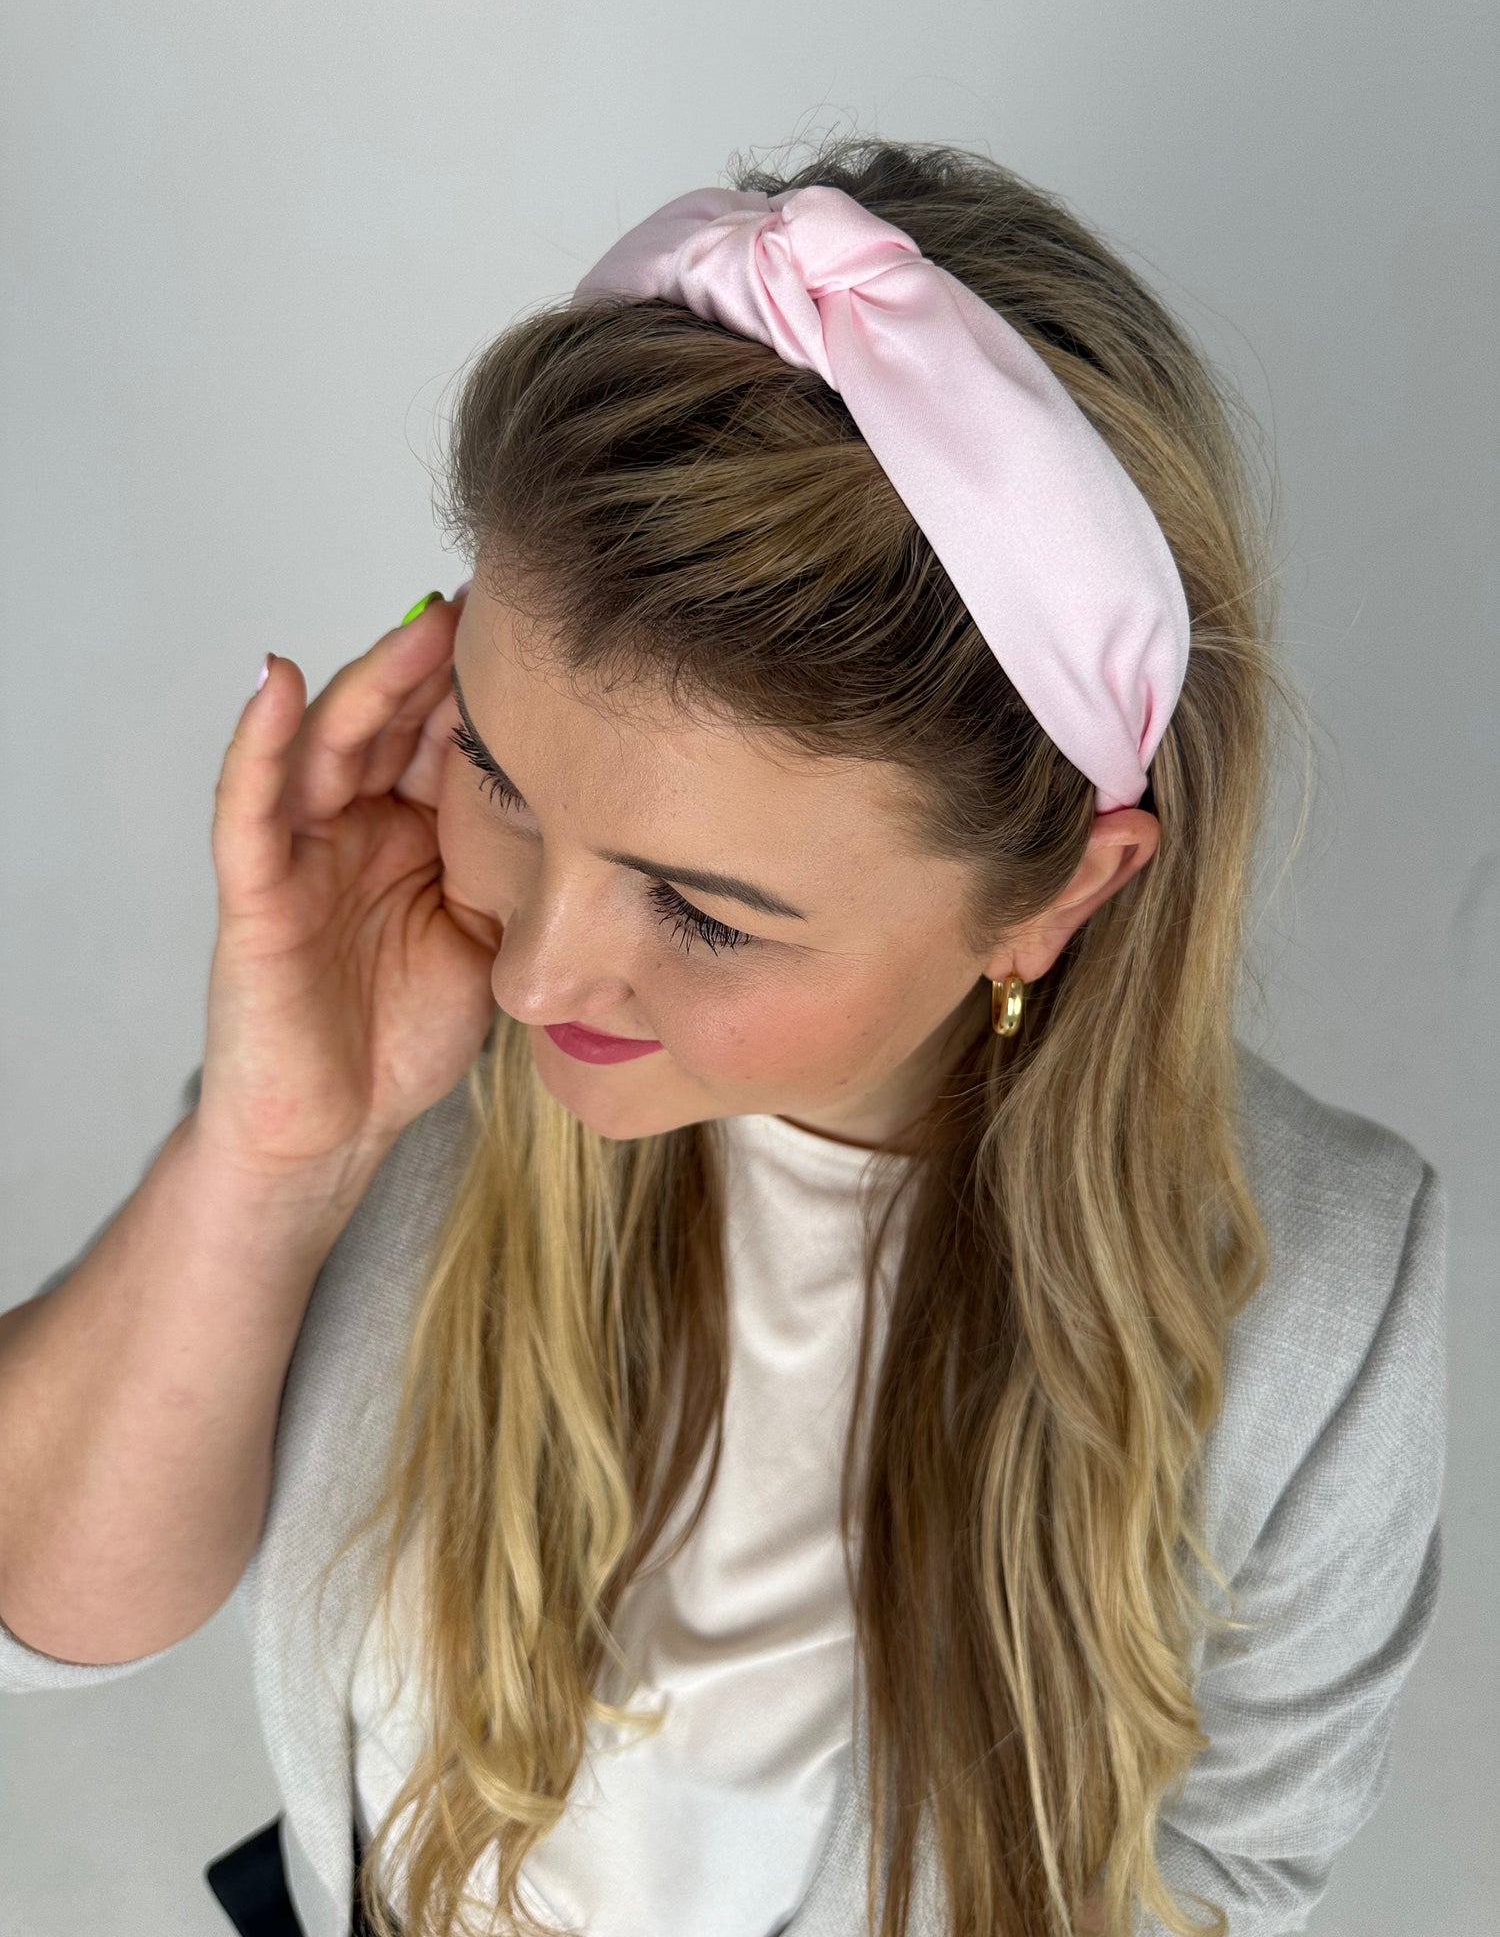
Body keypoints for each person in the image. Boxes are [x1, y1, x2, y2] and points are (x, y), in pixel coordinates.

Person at [0, 136, 1446, 1937]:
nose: (534, 980)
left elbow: (1228, 1871)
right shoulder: (414, 1042)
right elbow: (38, 1624)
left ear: (1058, 895)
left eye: (701, 911)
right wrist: (277, 1154)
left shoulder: (1325, 1290)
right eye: (498, 776)